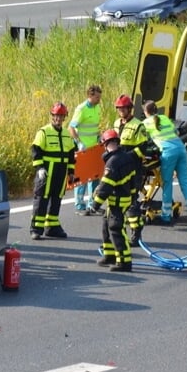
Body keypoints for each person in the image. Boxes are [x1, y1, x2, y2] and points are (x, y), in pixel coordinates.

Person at [142, 101, 187, 226]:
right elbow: (176, 133)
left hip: (168, 152)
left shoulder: (146, 123)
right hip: (180, 149)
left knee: (167, 183)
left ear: (145, 112)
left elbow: (141, 138)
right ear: (156, 110)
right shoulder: (164, 118)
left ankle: (166, 216)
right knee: (185, 182)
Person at [89, 129, 137, 272]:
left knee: (116, 228)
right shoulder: (127, 157)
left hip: (117, 200)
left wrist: (95, 204)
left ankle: (124, 261)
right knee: (106, 224)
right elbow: (133, 180)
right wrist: (133, 196)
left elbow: (106, 185)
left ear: (105, 144)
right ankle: (109, 255)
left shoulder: (112, 162)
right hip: (125, 198)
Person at [30, 102, 76, 240]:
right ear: (52, 116)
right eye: (56, 116)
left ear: (64, 118)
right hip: (47, 171)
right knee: (42, 198)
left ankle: (52, 227)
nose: (58, 119)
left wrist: (71, 172)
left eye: (61, 116)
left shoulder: (67, 134)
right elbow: (35, 151)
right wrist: (40, 168)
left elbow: (71, 154)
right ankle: (36, 229)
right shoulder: (43, 132)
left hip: (61, 171)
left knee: (56, 198)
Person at [112, 94, 150, 247]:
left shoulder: (138, 125)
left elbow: (142, 148)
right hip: (118, 170)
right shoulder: (116, 123)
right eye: (119, 108)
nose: (121, 111)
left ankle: (136, 234)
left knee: (132, 203)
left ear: (129, 109)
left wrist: (127, 157)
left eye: (124, 108)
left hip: (133, 170)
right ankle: (120, 233)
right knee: (117, 202)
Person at [68, 85, 103, 214]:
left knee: (94, 177)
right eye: (97, 97)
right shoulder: (81, 109)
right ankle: (79, 205)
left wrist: (99, 136)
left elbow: (94, 126)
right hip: (83, 149)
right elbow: (71, 128)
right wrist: (78, 142)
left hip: (94, 148)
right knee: (81, 178)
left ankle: (92, 204)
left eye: (100, 97)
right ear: (90, 96)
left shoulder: (97, 107)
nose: (99, 99)